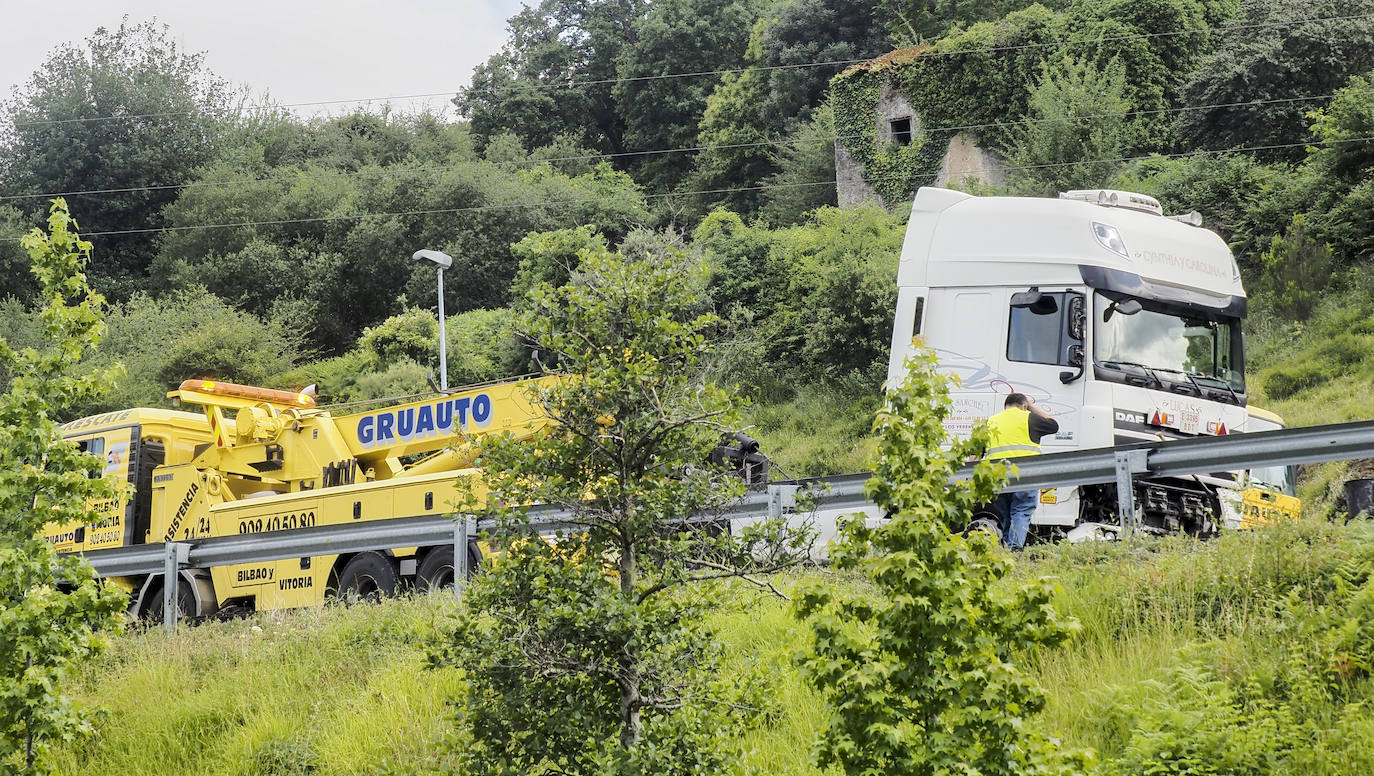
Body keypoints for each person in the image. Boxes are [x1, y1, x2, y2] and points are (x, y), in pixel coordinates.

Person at [984, 393, 1058, 549]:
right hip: (1025, 475)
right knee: (1021, 511)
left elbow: (977, 451)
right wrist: (1031, 407)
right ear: (1023, 406)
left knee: (1005, 515)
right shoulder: (1028, 417)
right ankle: (1014, 551)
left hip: (996, 477)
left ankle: (1006, 551)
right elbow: (1053, 425)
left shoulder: (991, 421)